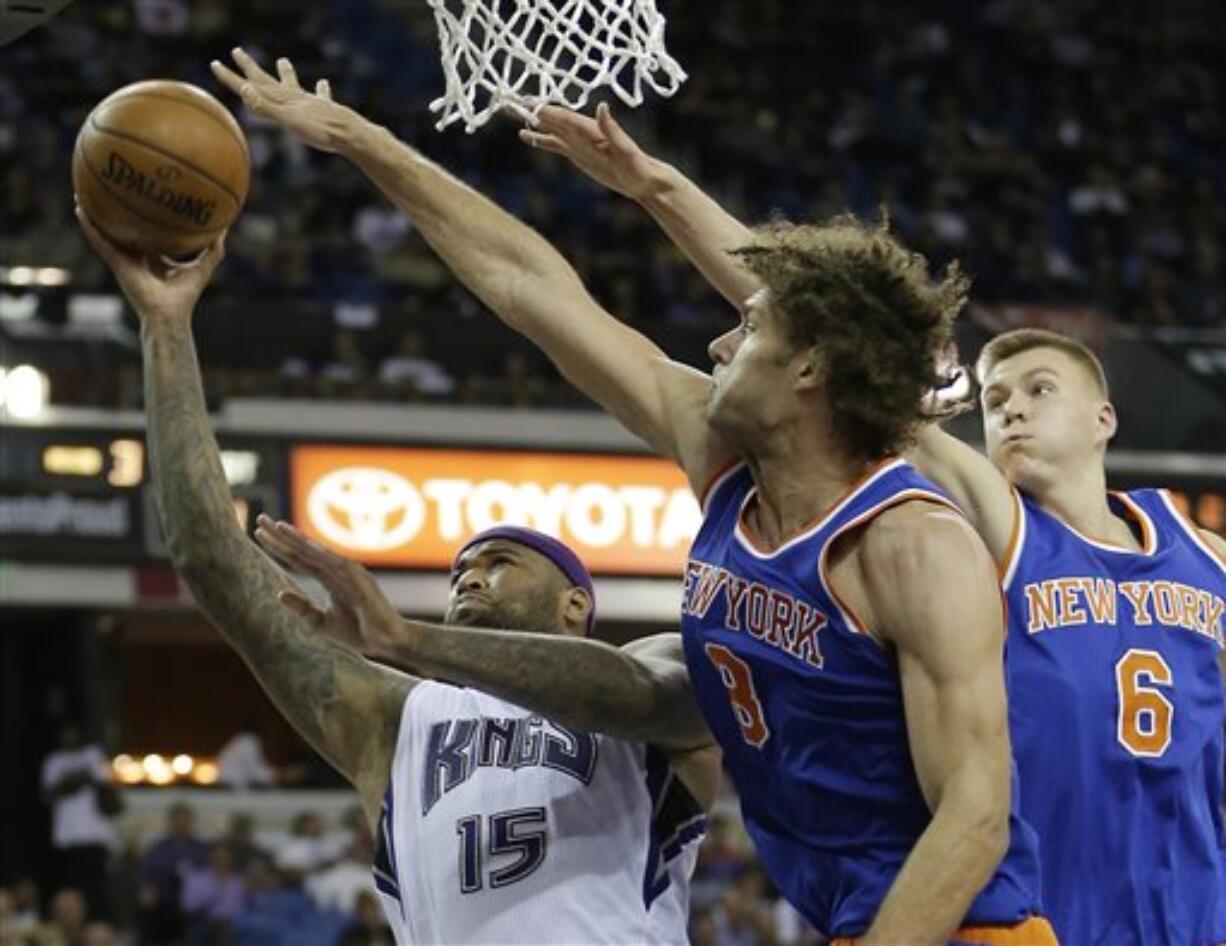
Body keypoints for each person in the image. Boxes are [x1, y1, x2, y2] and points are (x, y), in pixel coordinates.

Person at [211, 49, 1053, 944]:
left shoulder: (911, 542)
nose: (721, 347)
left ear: (809, 369)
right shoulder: (728, 466)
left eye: (750, 328)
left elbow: (973, 821)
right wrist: (366, 142)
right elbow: (531, 290)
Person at [516, 105, 1226, 944]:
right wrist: (660, 189)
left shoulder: (1205, 555)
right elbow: (803, 317)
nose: (1011, 412)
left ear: (1106, 418)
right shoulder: (998, 533)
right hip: (1047, 919)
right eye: (994, 401)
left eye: (1038, 389)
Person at [74, 204, 717, 946]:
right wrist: (166, 324)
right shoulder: (397, 721)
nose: (469, 579)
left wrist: (403, 637)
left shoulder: (655, 665)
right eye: (461, 569)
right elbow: (208, 559)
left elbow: (660, 702)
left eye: (500, 564)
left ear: (577, 604)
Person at [40, 723, 118, 919]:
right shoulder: (54, 761)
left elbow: (109, 795)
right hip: (69, 839)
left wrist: (89, 779)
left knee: (97, 890)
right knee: (73, 891)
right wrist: (81, 778)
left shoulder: (94, 755)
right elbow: (49, 794)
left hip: (95, 837)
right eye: (66, 733)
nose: (70, 736)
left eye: (73, 732)